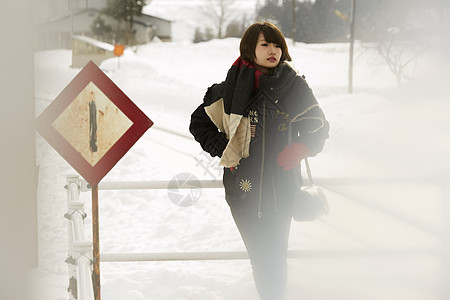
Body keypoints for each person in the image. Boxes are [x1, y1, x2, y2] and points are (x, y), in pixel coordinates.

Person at [189, 22, 329, 300]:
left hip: (282, 188)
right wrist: (223, 147)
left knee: (274, 258)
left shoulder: (294, 86)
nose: (273, 50)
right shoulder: (230, 88)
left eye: (277, 45)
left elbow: (319, 126)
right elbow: (199, 122)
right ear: (250, 49)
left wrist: (302, 147)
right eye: (265, 44)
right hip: (244, 190)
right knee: (261, 258)